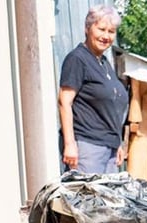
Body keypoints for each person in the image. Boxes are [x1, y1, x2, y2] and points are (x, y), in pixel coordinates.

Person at [58, 5, 129, 174]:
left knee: (109, 199)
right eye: (101, 29)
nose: (106, 36)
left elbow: (110, 108)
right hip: (87, 147)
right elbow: (64, 102)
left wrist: (117, 142)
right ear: (87, 28)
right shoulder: (77, 59)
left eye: (111, 31)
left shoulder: (104, 63)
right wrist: (70, 144)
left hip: (109, 147)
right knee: (88, 199)